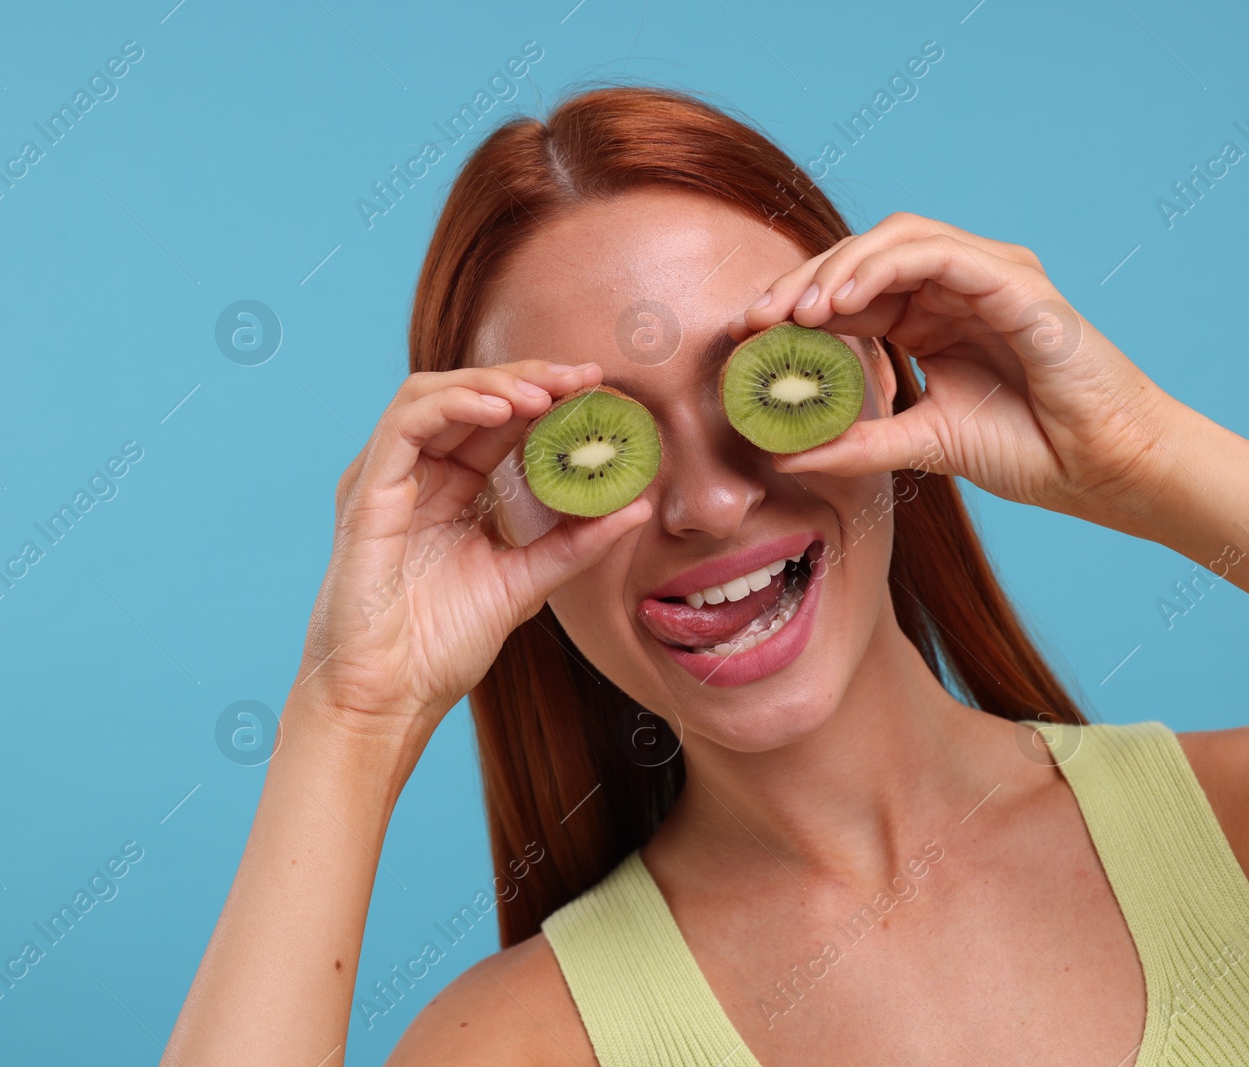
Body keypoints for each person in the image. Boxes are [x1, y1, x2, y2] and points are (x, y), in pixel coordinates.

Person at [163, 86, 1249, 1066]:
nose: (708, 503)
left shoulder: (1228, 826)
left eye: (751, 387)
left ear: (872, 376)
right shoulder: (518, 1041)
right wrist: (349, 715)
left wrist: (1144, 455)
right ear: (496, 509)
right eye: (596, 446)